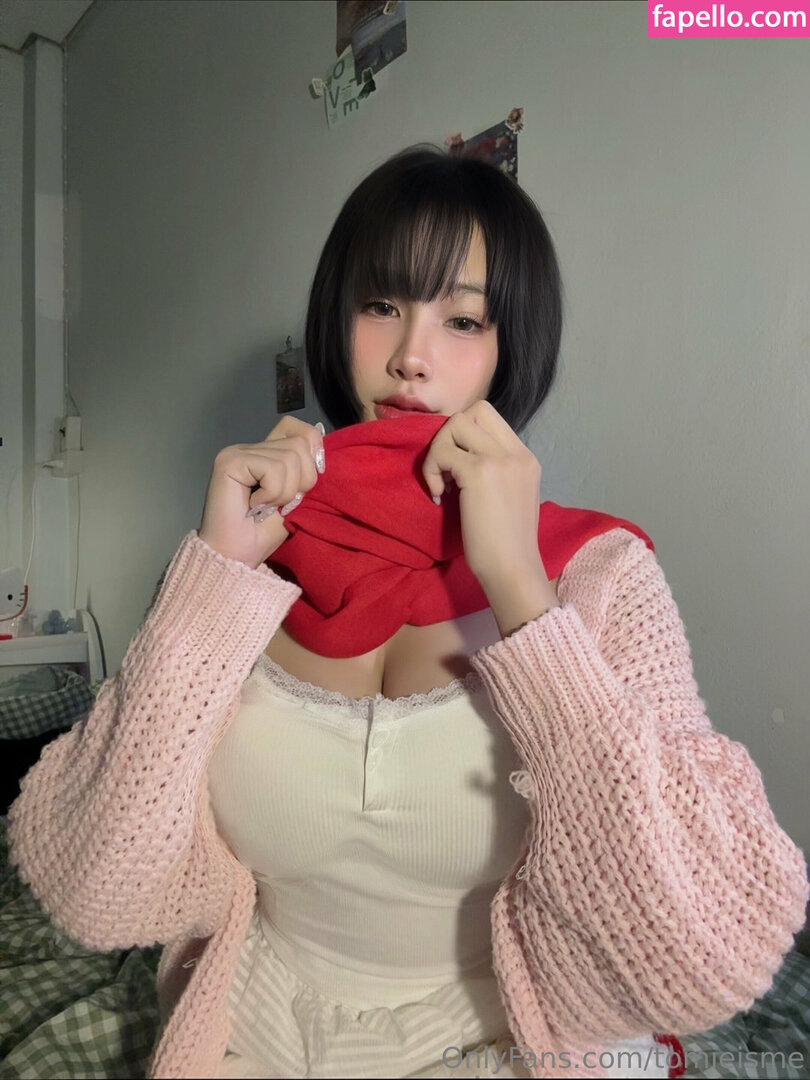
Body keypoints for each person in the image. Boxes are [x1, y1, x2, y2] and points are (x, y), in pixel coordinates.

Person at [7, 146, 808, 1080]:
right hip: (249, 1028)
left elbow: (702, 955)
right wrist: (208, 584)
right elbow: (93, 892)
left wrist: (521, 591)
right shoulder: (239, 566)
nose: (409, 358)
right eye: (381, 305)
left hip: (502, 1042)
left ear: (513, 348)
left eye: (463, 319)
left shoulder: (598, 575)